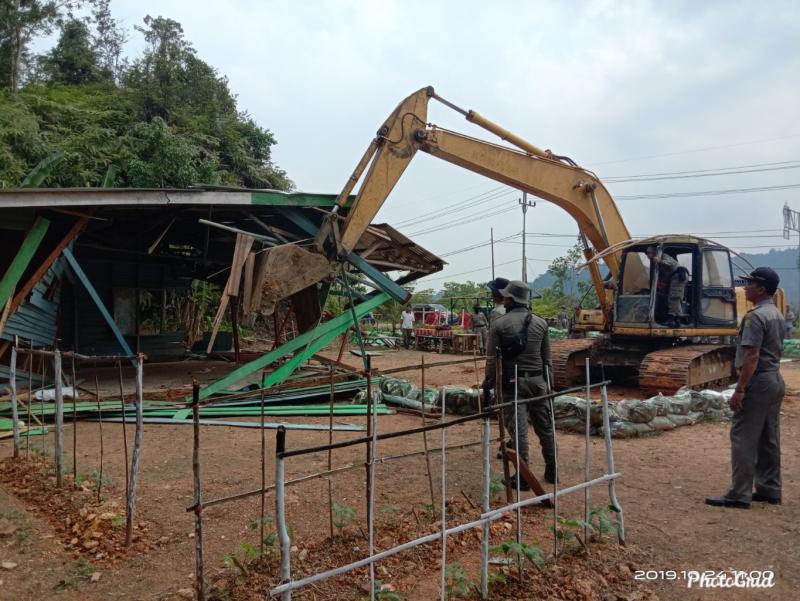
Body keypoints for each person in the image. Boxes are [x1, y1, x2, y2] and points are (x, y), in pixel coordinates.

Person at [706, 267, 785, 509]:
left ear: (761, 288)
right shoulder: (776, 314)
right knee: (769, 437)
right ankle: (770, 488)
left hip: (758, 381)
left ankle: (739, 493)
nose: (745, 287)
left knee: (743, 437)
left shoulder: (755, 317)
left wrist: (740, 389)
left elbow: (751, 356)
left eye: (749, 284)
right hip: (774, 379)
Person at [483, 280, 555, 490]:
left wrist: (489, 382)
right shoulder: (541, 323)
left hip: (512, 383)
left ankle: (523, 477)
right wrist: (549, 385)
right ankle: (553, 470)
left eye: (505, 296)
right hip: (539, 382)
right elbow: (547, 359)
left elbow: (491, 359)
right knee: (546, 428)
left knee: (519, 431)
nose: (503, 298)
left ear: (510, 299)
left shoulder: (499, 324)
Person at [645, 245, 688, 327]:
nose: (647, 255)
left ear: (653, 253)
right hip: (673, 278)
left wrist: (660, 261)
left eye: (648, 253)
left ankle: (674, 320)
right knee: (669, 297)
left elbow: (670, 263)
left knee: (674, 297)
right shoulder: (655, 261)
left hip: (678, 276)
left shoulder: (663, 256)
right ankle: (674, 318)